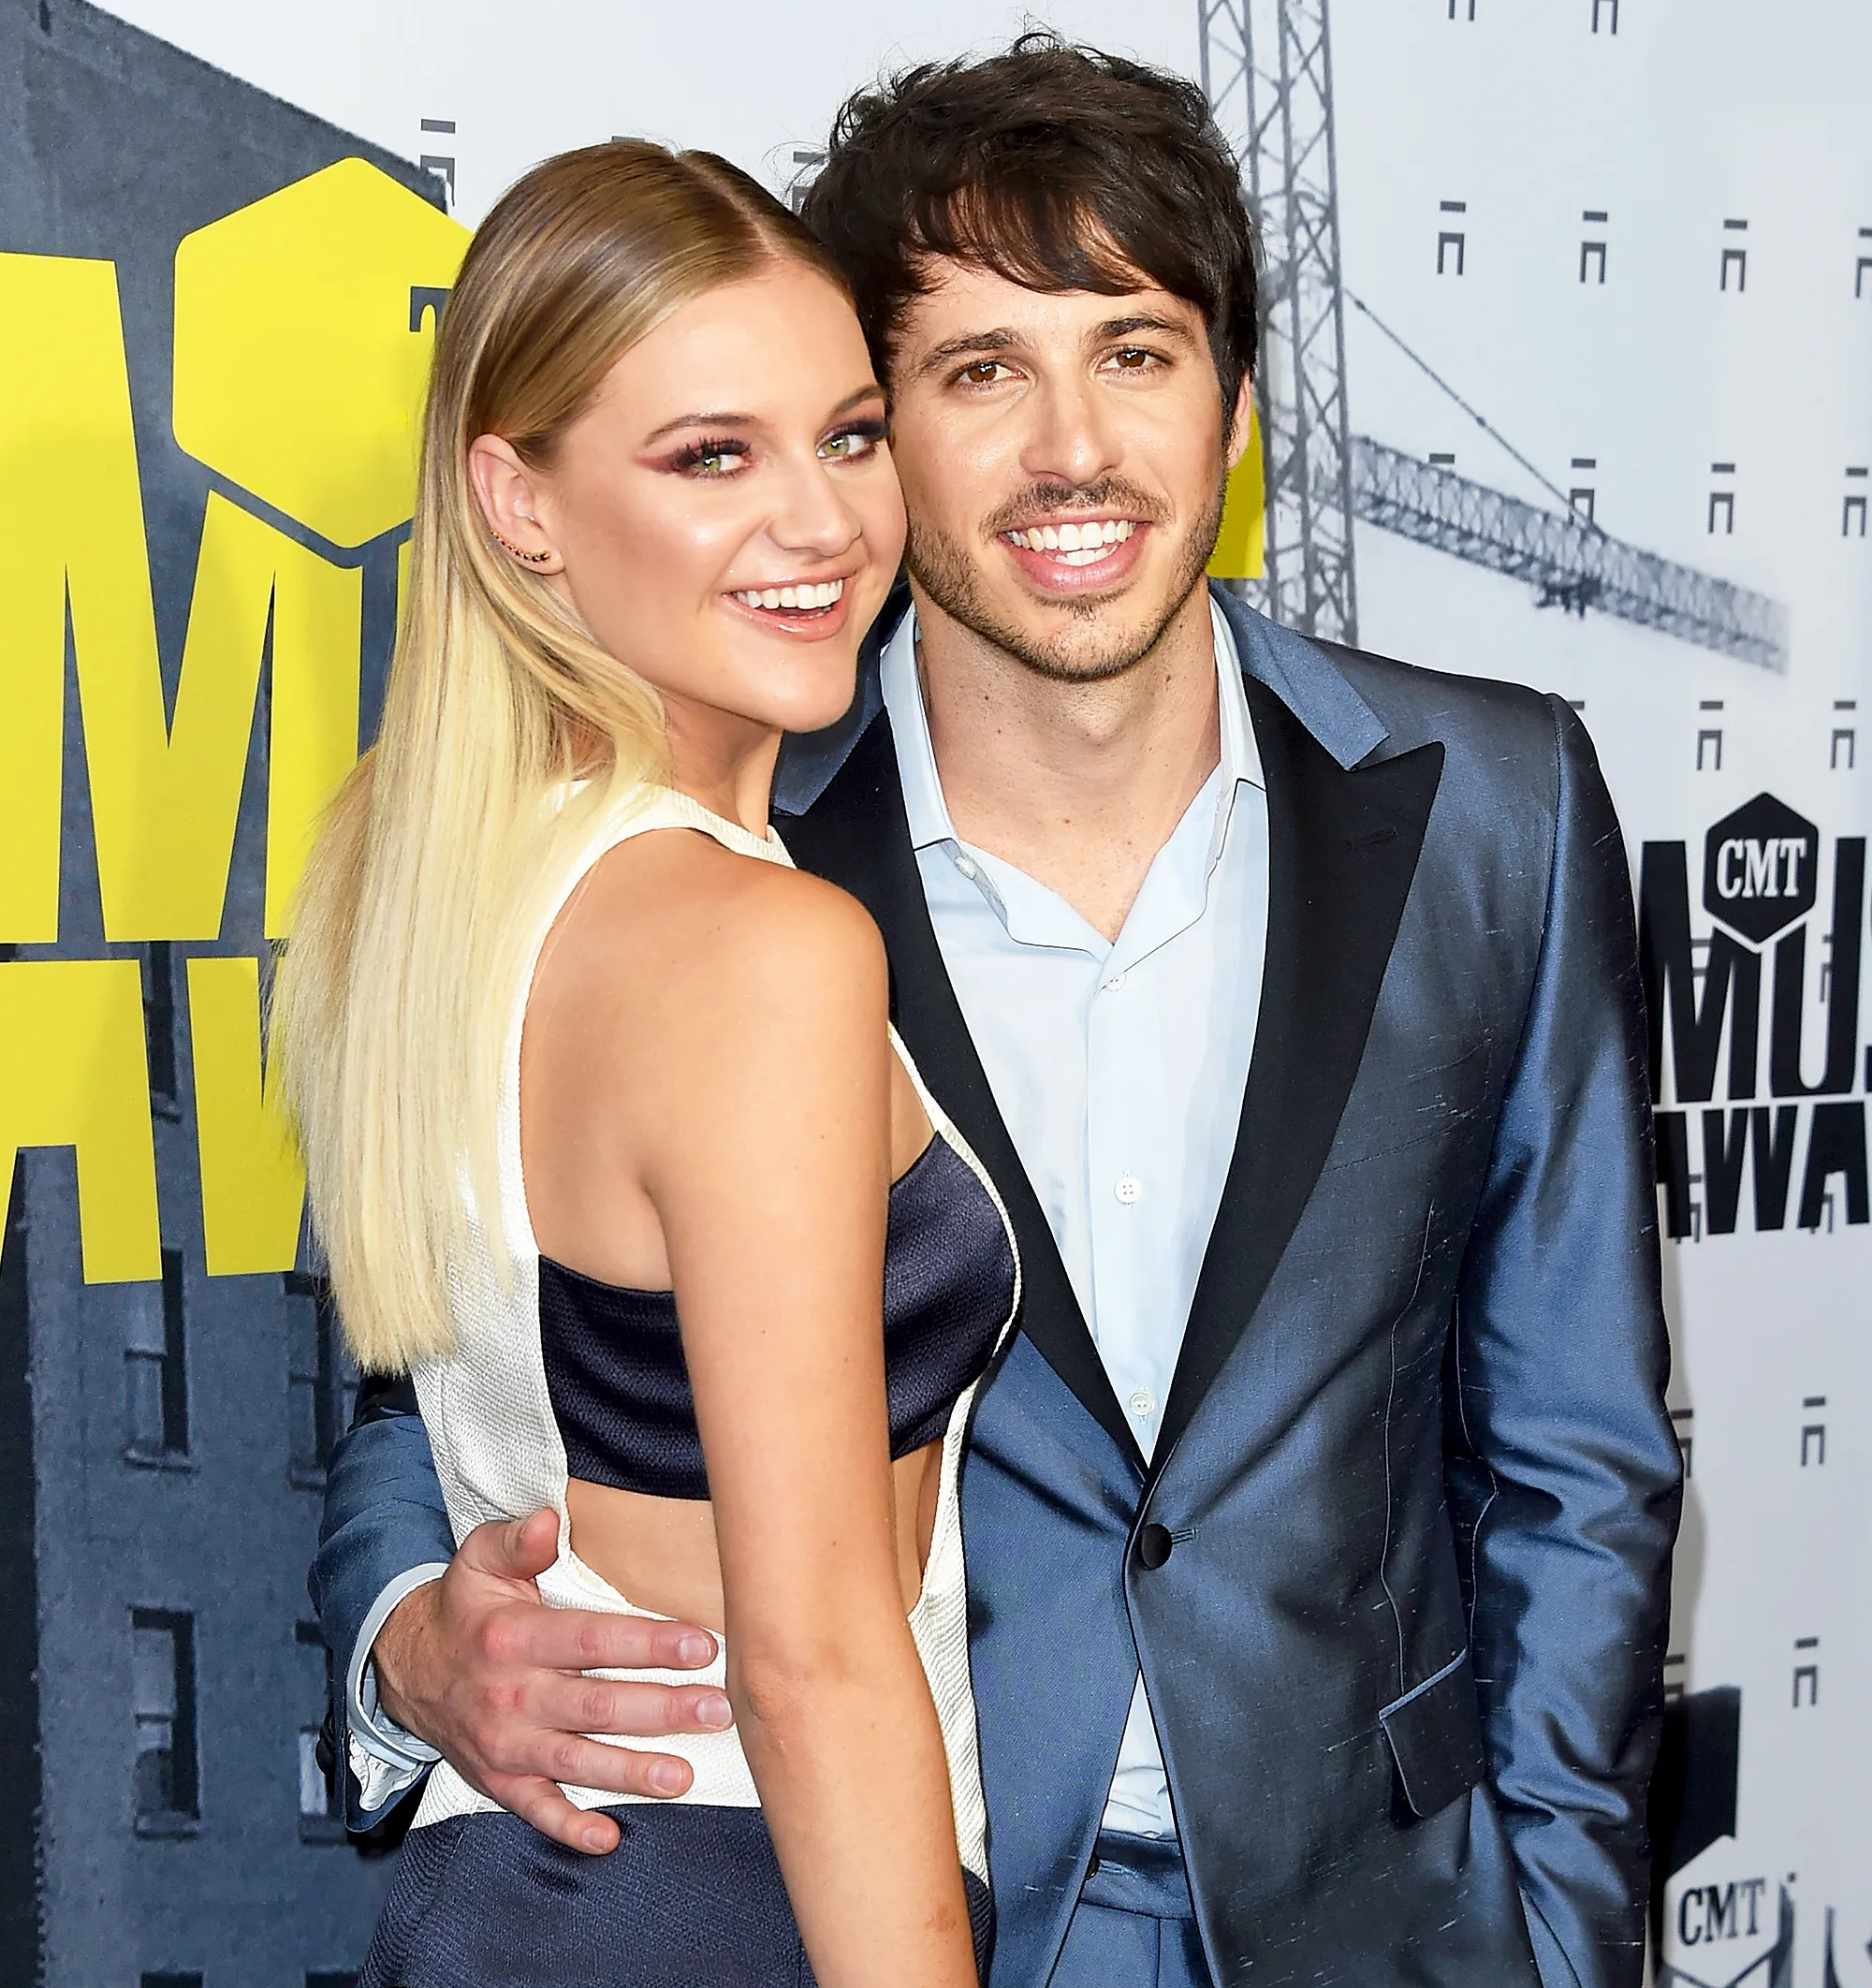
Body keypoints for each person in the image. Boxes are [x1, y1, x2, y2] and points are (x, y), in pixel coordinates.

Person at [313, 38, 1682, 1988]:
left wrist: (1562, 1932)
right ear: (894, 416)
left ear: (1235, 410)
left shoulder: (1496, 809)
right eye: (977, 373)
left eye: (1133, 350)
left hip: (1383, 1919)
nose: (1071, 450)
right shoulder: (718, 858)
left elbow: (1576, 1456)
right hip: (898, 1904)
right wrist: (410, 1641)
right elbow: (442, 1365)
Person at [277, 139, 1016, 1987]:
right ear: (517, 504)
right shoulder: (760, 951)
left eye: (848, 436)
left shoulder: (421, 877)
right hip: (729, 1896)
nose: (822, 522)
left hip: (526, 1891)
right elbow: (814, 1661)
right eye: (711, 458)